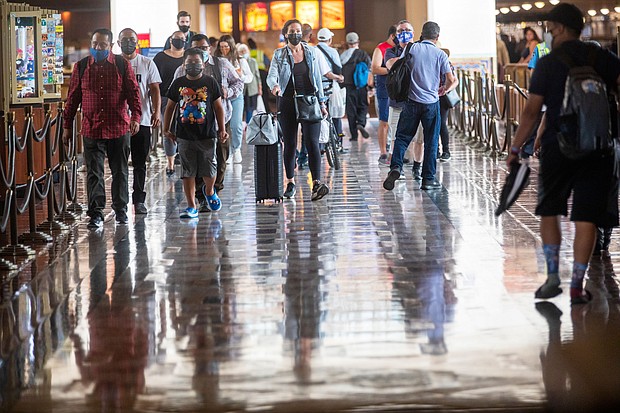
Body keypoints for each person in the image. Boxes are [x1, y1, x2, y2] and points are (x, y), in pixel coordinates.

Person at [507, 3, 620, 305]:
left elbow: (531, 111)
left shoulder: (549, 62)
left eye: (549, 28)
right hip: (598, 148)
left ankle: (554, 275)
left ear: (557, 28)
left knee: (550, 210)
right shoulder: (603, 58)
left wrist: (517, 148)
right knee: (587, 217)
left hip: (558, 146)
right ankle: (577, 285)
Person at [63, 28, 141, 229]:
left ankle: (121, 210)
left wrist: (136, 117)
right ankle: (96, 213)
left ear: (111, 45)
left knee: (120, 171)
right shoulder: (81, 67)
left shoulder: (122, 65)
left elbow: (133, 92)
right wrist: (66, 126)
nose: (98, 48)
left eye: (103, 45)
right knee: (94, 173)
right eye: (95, 44)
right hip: (91, 127)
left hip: (118, 126)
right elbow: (72, 99)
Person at [382, 21, 457, 191]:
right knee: (431, 141)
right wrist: (443, 89)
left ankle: (396, 168)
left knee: (401, 138)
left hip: (411, 102)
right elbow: (451, 80)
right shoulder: (440, 54)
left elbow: (398, 67)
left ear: (421, 34)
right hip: (431, 103)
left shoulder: (411, 49)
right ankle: (428, 179)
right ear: (437, 37)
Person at [171, 33, 244, 206]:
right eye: (196, 48)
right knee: (195, 161)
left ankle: (213, 191)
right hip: (193, 125)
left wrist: (229, 92)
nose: (201, 52)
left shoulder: (222, 64)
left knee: (219, 158)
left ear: (209, 48)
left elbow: (239, 83)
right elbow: (174, 98)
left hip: (220, 121)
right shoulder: (183, 69)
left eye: (204, 48)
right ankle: (200, 196)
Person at [267, 19, 330, 201]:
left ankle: (317, 183)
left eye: (298, 31)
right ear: (285, 34)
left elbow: (317, 78)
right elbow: (271, 76)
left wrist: (322, 103)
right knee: (290, 144)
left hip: (310, 101)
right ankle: (290, 182)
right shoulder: (279, 54)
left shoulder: (311, 52)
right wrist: (275, 87)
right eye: (291, 31)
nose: (295, 34)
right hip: (287, 102)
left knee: (312, 142)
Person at [163, 48, 228, 218]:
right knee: (187, 171)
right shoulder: (178, 84)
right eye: (189, 63)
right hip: (184, 135)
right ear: (184, 64)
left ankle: (209, 190)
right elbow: (170, 107)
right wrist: (166, 128)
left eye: (197, 63)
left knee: (209, 169)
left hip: (207, 134)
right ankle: (191, 206)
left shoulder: (210, 82)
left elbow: (218, 107)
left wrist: (222, 129)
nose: (193, 66)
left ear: (203, 64)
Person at [118, 28, 162, 215]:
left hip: (142, 120)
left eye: (132, 40)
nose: (129, 43)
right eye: (125, 40)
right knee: (118, 164)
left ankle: (139, 200)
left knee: (139, 163)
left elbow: (154, 89)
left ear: (137, 42)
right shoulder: (114, 64)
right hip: (118, 121)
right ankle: (120, 203)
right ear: (119, 43)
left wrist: (156, 111)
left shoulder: (147, 63)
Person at [385, 20, 423, 179]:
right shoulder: (391, 51)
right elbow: (392, 65)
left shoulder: (420, 50)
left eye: (408, 30)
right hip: (398, 102)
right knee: (395, 135)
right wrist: (405, 50)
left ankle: (417, 167)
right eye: (401, 30)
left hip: (417, 100)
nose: (405, 32)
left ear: (413, 34)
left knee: (419, 138)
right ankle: (397, 168)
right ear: (396, 34)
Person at [214, 35, 253, 164]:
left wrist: (241, 76)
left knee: (236, 125)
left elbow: (249, 77)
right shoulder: (216, 61)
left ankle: (236, 149)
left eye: (226, 47)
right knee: (223, 125)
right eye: (221, 47)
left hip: (236, 96)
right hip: (221, 97)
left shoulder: (240, 61)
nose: (224, 50)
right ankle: (227, 151)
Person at [154, 31, 185, 176]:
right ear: (170, 40)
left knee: (185, 127)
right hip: (166, 96)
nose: (179, 41)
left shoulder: (188, 56)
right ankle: (170, 162)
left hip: (185, 97)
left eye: (182, 39)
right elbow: (154, 77)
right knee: (168, 129)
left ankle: (184, 157)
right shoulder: (160, 57)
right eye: (176, 39)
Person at [372, 25, 397, 165]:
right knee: (384, 121)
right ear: (392, 35)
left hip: (398, 89)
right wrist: (393, 69)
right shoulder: (381, 48)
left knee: (398, 122)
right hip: (384, 90)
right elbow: (375, 68)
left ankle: (395, 151)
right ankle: (383, 152)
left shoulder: (402, 48)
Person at [340, 32, 372, 141]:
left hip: (348, 87)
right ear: (358, 42)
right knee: (363, 106)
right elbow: (369, 68)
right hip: (361, 86)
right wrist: (371, 86)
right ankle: (361, 124)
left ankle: (354, 135)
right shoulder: (363, 54)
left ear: (347, 43)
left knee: (351, 110)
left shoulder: (343, 56)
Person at [316, 27, 345, 138]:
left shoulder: (313, 50)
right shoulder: (333, 52)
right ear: (329, 40)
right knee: (335, 113)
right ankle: (338, 139)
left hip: (317, 88)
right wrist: (339, 77)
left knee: (320, 114)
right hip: (330, 87)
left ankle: (322, 142)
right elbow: (338, 69)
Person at [438, 48, 456, 161]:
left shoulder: (447, 64)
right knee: (434, 125)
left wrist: (445, 89)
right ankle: (436, 150)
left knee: (441, 124)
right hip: (434, 96)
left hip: (443, 97)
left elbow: (453, 80)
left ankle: (446, 150)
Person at [237, 43, 262, 123]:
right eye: (241, 51)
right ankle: (243, 123)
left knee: (251, 108)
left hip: (253, 88)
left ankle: (249, 123)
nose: (244, 53)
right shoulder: (238, 62)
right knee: (243, 107)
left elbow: (257, 76)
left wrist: (260, 88)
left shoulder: (253, 61)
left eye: (245, 51)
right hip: (242, 89)